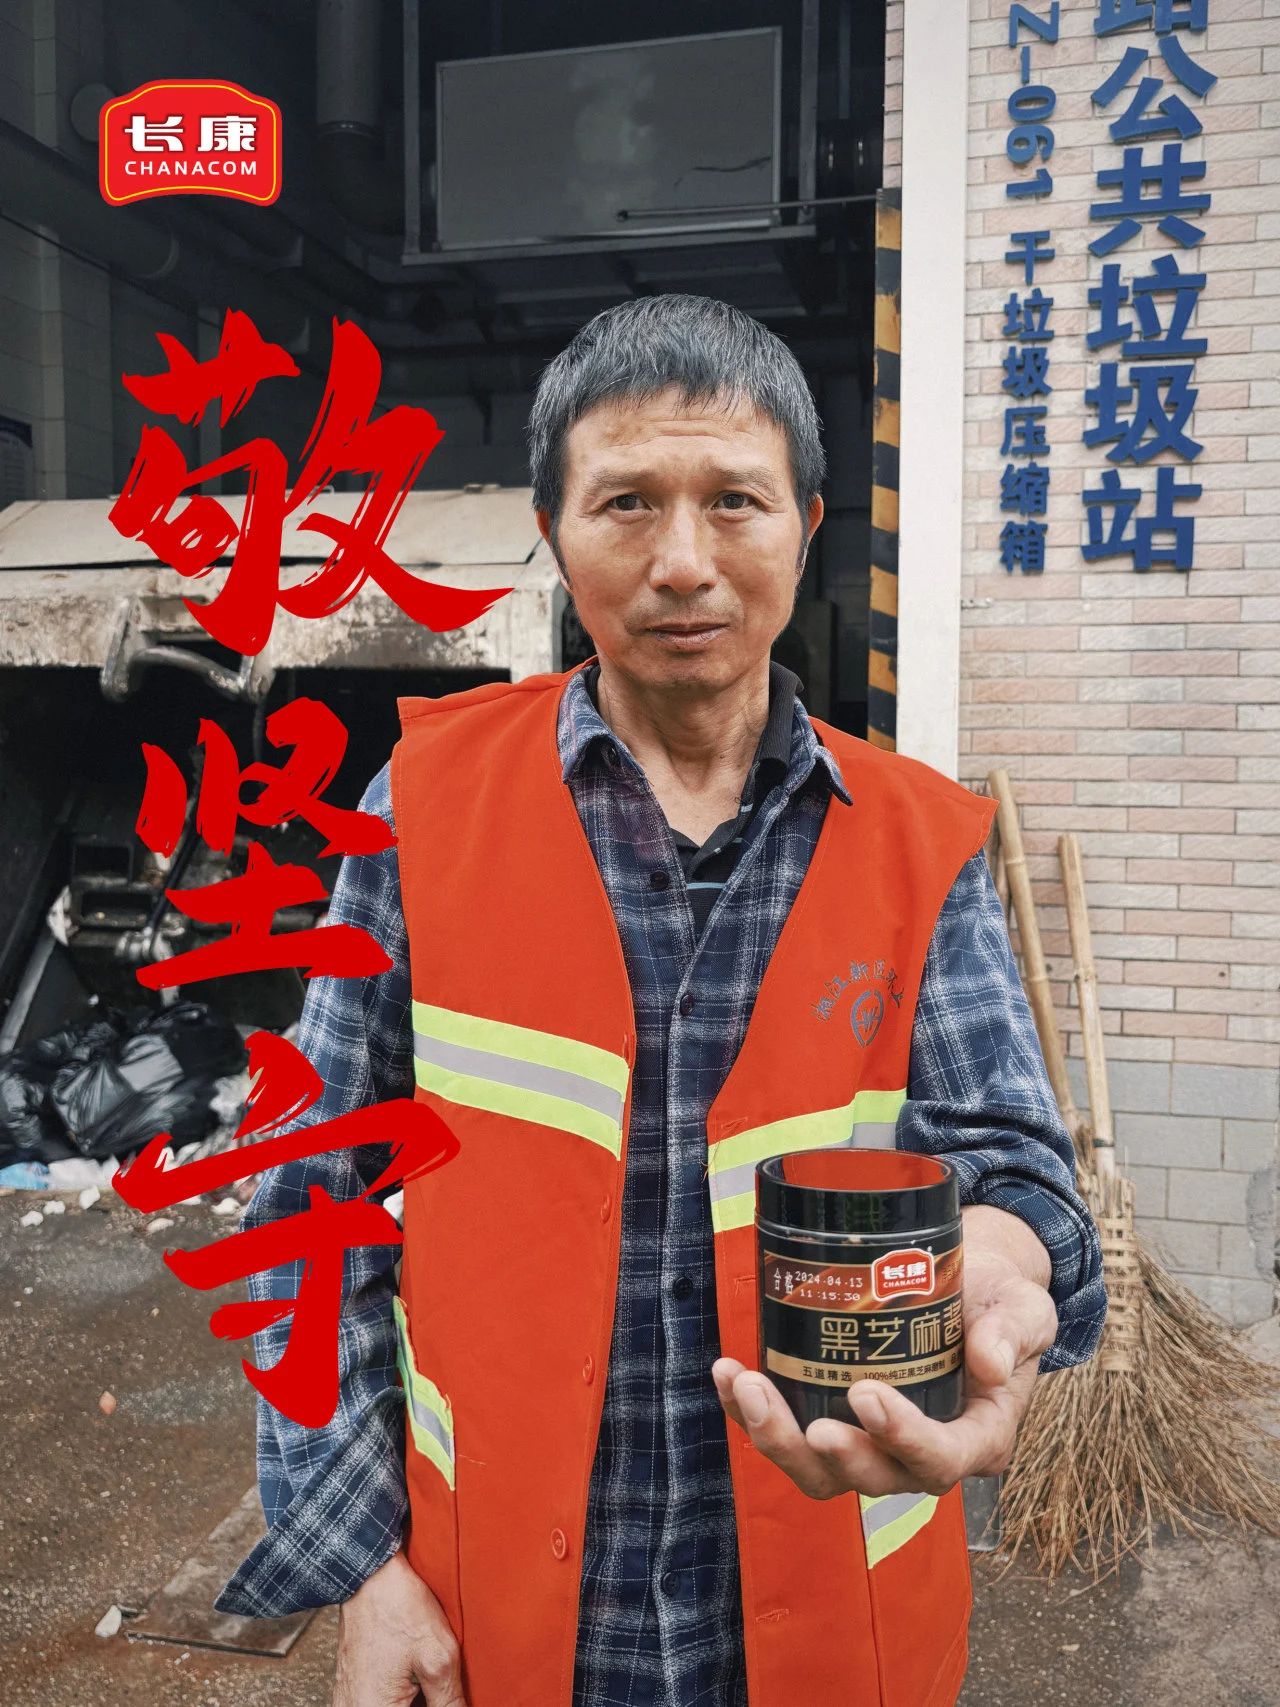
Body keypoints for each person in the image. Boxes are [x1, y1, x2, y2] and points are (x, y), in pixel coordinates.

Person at [216, 294, 1106, 1707]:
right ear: (554, 533)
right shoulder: (426, 809)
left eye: (734, 500)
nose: (683, 561)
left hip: (832, 1639)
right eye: (626, 501)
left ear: (807, 527)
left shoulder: (916, 843)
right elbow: (302, 1202)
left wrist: (1008, 1255)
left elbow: (1016, 1168)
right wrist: (363, 1565)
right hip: (502, 1624)